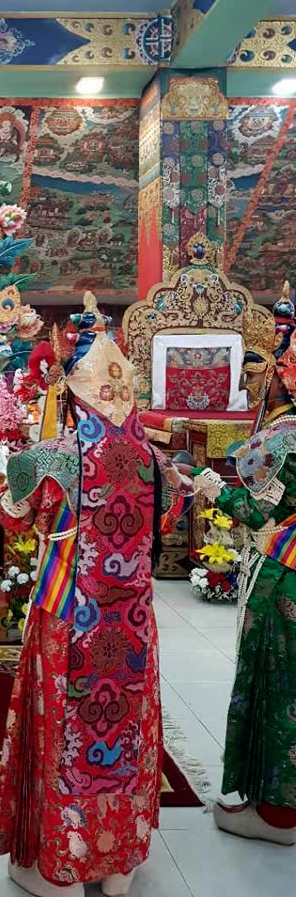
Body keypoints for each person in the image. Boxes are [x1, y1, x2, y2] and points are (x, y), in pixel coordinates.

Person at [0, 293, 191, 897]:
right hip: (130, 619)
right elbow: (167, 518)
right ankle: (118, 864)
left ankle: (63, 859)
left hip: (68, 615)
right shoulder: (155, 461)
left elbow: (12, 518)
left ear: (73, 392)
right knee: (124, 728)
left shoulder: (53, 454)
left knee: (66, 726)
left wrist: (13, 478)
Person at [188, 291, 296, 846]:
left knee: (278, 687)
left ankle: (278, 814)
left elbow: (259, 510)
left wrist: (210, 489)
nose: (252, 381)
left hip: (285, 571)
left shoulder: (286, 437)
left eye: (262, 370)